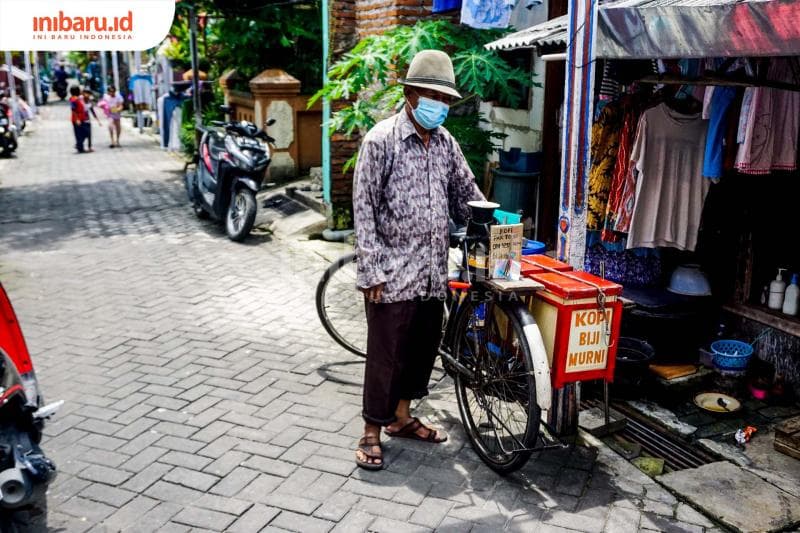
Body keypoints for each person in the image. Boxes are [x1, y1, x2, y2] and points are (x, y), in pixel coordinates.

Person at [352, 50, 484, 470]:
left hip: (431, 272)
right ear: (410, 94)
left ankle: (402, 418)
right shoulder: (380, 140)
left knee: (422, 349)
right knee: (386, 355)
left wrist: (496, 225)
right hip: (391, 275)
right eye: (431, 95)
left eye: (444, 99)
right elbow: (364, 208)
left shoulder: (445, 143)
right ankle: (371, 430)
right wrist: (371, 270)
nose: (438, 106)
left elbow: (468, 193)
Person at [68, 85, 87, 153]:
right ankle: (80, 146)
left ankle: (79, 145)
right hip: (77, 119)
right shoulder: (74, 100)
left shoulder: (77, 98)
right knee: (81, 133)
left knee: (82, 133)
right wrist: (77, 119)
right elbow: (73, 110)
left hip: (81, 117)